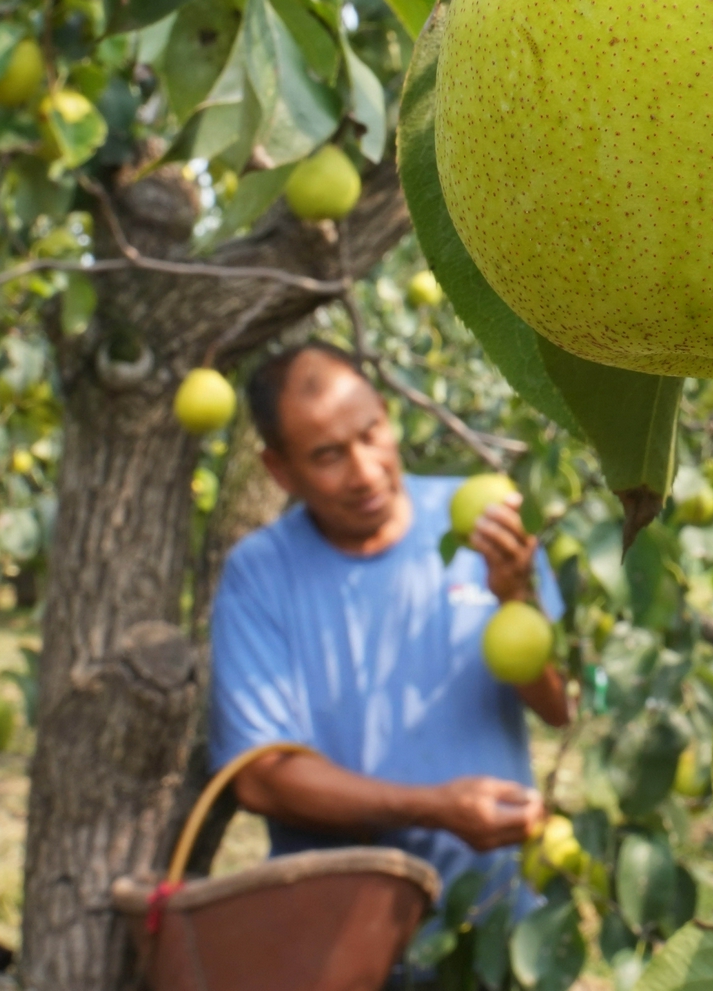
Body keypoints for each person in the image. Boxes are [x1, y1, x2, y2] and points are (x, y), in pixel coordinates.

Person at [208, 342, 569, 908]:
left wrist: (516, 598)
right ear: (279, 470)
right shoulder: (260, 575)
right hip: (341, 936)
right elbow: (261, 777)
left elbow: (558, 707)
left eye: (372, 432)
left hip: (495, 925)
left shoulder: (485, 529)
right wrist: (435, 808)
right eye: (329, 456)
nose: (366, 471)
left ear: (386, 412)